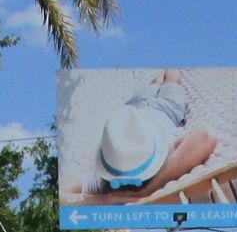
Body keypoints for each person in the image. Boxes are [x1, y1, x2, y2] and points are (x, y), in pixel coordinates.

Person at [76, 70, 219, 203]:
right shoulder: (166, 158)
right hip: (167, 109)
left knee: (154, 82)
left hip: (134, 109)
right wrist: (148, 190)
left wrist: (111, 199)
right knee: (172, 80)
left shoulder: (106, 179)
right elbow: (206, 136)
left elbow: (63, 193)